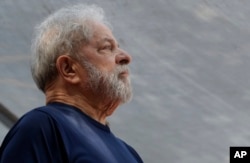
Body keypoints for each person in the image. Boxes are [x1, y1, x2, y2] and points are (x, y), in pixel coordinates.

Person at [0, 4, 143, 163]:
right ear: (69, 69)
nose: (126, 57)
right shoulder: (42, 127)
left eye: (118, 47)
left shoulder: (131, 154)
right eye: (107, 48)